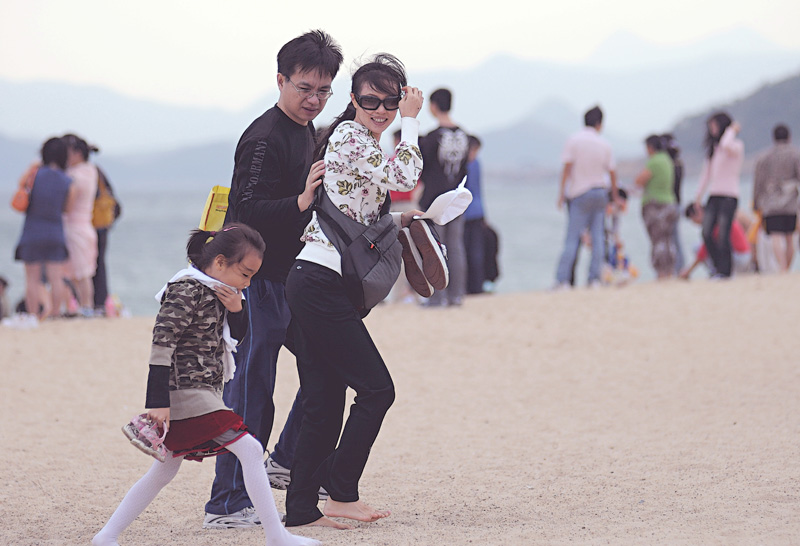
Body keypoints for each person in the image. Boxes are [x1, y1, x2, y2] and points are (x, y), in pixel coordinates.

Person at [92, 224, 319, 546]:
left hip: (203, 390)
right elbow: (161, 345)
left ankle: (106, 535)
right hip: (187, 392)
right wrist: (157, 401)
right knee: (251, 449)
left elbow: (233, 340)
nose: (248, 282)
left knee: (164, 471)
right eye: (245, 273)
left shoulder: (217, 291)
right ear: (221, 262)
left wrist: (237, 310)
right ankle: (276, 537)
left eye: (253, 276)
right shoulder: (186, 288)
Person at [204, 29, 343, 529]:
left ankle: (283, 460)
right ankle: (226, 503)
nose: (313, 99)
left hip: (295, 277)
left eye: (323, 90)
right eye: (304, 87)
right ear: (280, 80)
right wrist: (302, 202)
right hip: (257, 282)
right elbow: (246, 210)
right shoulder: (263, 136)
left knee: (328, 368)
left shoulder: (307, 130)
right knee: (250, 391)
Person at [284, 54, 423, 529]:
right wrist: (411, 121)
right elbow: (405, 179)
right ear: (353, 100)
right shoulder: (349, 136)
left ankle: (304, 508)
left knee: (324, 399)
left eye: (391, 100)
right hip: (319, 283)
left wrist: (411, 221)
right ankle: (340, 490)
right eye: (371, 100)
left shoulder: (361, 143)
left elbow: (365, 215)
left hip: (322, 284)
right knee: (377, 389)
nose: (380, 109)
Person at [554, 106, 618, 289]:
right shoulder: (604, 143)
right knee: (598, 237)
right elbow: (612, 172)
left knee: (572, 238)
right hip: (600, 193)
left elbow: (566, 169)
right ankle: (594, 279)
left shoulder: (573, 140)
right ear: (599, 123)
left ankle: (563, 280)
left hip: (579, 193)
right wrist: (614, 196)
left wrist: (561, 193)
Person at [418, 88, 470, 306]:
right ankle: (456, 295)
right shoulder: (464, 135)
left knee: (434, 247)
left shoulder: (431, 138)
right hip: (456, 198)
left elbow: (422, 169)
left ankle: (437, 297)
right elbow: (465, 168)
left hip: (434, 200)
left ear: (433, 106)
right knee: (455, 247)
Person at [13, 137, 72, 320]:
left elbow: (20, 188)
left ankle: (32, 315)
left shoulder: (34, 174)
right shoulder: (67, 180)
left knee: (32, 279)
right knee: (56, 278)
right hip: (55, 231)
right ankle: (55, 313)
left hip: (32, 231)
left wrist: (33, 167)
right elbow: (67, 208)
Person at [694, 112, 744, 279]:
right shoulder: (713, 150)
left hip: (729, 195)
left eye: (715, 125)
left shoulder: (735, 146)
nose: (712, 129)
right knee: (707, 232)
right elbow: (705, 175)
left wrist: (732, 130)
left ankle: (726, 271)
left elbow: (726, 144)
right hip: (714, 196)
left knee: (724, 233)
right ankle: (717, 268)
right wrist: (698, 196)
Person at [752, 124, 800, 272]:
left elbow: (758, 182)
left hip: (771, 202)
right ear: (789, 137)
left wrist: (755, 202)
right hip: (791, 201)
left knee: (775, 236)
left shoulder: (764, 157)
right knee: (789, 237)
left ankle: (782, 267)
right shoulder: (795, 155)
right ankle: (787, 267)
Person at [63, 134, 99, 316]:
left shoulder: (75, 175)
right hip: (85, 226)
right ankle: (85, 307)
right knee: (82, 273)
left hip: (75, 228)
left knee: (81, 274)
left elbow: (68, 205)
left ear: (77, 153)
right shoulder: (90, 170)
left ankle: (86, 308)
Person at [634, 135, 678, 279]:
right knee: (667, 239)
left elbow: (640, 180)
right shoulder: (667, 160)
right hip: (670, 203)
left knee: (657, 240)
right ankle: (670, 270)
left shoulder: (654, 162)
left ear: (650, 147)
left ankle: (661, 272)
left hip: (655, 204)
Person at [680, 203, 751, 279]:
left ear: (698, 212)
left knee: (698, 248)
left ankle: (717, 272)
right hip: (743, 256)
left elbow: (703, 251)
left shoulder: (713, 221)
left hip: (739, 257)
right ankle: (718, 271)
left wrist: (689, 270)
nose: (693, 223)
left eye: (692, 219)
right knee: (699, 246)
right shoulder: (719, 217)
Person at [93, 165, 121, 313]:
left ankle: (95, 302)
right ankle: (100, 302)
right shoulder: (98, 172)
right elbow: (116, 204)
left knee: (90, 267)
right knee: (100, 265)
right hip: (102, 226)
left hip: (91, 225)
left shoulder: (89, 172)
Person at [464, 135, 487, 294]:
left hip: (465, 212)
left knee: (468, 251)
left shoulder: (464, 165)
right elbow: (478, 191)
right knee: (475, 251)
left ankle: (470, 287)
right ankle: (477, 287)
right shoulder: (477, 164)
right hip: (477, 211)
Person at [661, 133, 685, 273]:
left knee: (672, 239)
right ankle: (678, 267)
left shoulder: (669, 165)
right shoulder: (679, 164)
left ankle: (678, 268)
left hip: (670, 204)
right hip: (677, 204)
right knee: (675, 238)